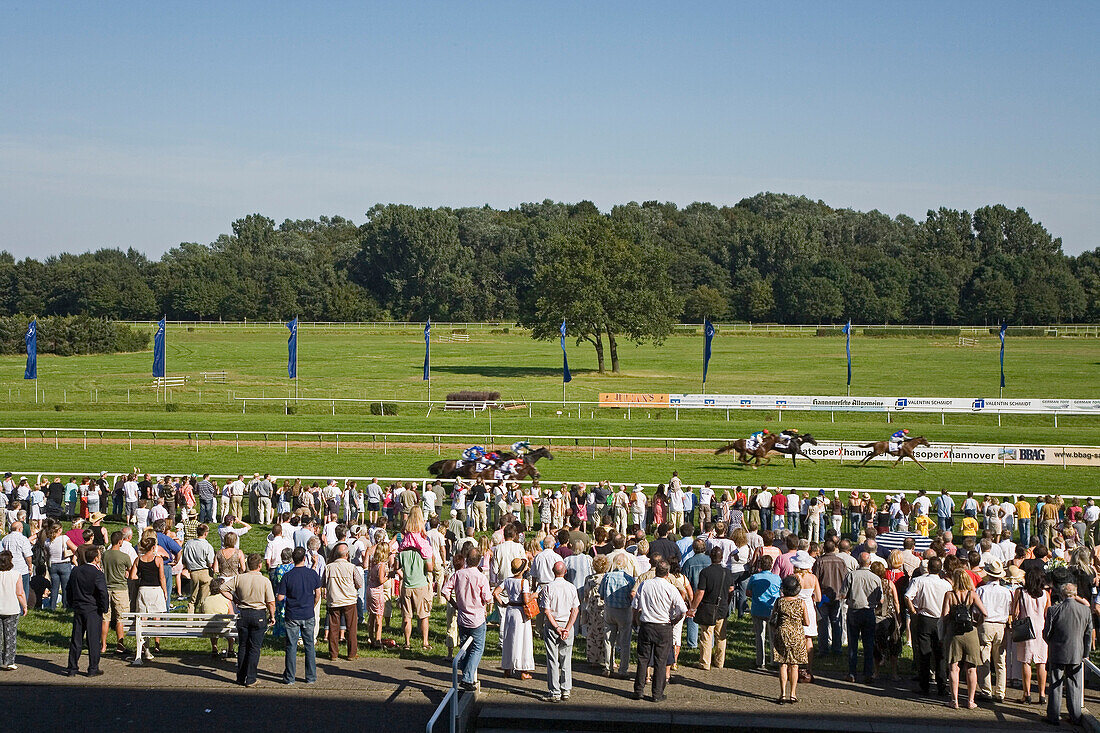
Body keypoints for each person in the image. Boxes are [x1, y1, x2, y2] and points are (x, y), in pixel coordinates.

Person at [631, 558, 687, 702]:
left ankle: (638, 690)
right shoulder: (670, 588)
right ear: (668, 573)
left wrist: (636, 621)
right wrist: (673, 622)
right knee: (660, 661)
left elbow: (635, 606)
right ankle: (657, 694)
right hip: (663, 626)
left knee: (643, 659)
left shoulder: (645, 585)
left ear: (655, 570)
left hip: (647, 625)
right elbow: (682, 610)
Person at [221, 553, 276, 686]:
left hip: (243, 614)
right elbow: (271, 602)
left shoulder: (239, 578)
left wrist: (234, 598)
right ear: (259, 565)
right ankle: (251, 678)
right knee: (255, 647)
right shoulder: (264, 581)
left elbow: (222, 588)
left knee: (243, 646)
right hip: (258, 614)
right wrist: (272, 615)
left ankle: (240, 676)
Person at [442, 547, 492, 691]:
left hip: (463, 616)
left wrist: (455, 604)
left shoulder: (458, 574)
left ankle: (465, 673)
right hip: (477, 618)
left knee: (464, 646)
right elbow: (487, 598)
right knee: (477, 648)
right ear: (479, 561)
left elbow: (445, 591)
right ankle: (468, 677)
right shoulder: (481, 577)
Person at [1043, 582, 1092, 726]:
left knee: (1055, 684)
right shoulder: (1085, 611)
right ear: (1075, 594)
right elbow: (1088, 634)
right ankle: (1075, 715)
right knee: (1074, 685)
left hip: (1058, 651)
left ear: (1062, 594)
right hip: (1077, 651)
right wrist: (1086, 652)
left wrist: (1051, 643)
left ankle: (1053, 716)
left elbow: (1047, 633)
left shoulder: (1054, 610)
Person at [275, 546, 323, 685]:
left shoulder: (287, 576)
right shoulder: (312, 574)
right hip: (308, 613)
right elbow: (318, 594)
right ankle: (311, 676)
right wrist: (312, 605)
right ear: (304, 558)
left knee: (291, 646)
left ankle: (290, 677)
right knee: (309, 645)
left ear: (292, 559)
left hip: (292, 614)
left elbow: (280, 597)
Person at [942, 568, 987, 709]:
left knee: (953, 667)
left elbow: (944, 615)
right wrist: (976, 623)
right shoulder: (972, 595)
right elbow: (985, 613)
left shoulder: (949, 595)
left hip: (954, 632)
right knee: (971, 668)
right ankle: (970, 700)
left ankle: (954, 700)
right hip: (970, 632)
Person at [539, 560, 580, 702]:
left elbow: (546, 610)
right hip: (567, 623)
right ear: (565, 572)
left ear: (552, 571)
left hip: (553, 624)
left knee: (552, 659)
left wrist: (556, 627)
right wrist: (567, 628)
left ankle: (554, 691)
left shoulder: (548, 588)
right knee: (566, 658)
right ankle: (566, 689)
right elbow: (575, 610)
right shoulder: (571, 587)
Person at [65, 545, 109, 677]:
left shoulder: (76, 571)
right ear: (96, 558)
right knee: (93, 639)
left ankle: (72, 667)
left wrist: (72, 602)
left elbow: (69, 589)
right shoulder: (98, 574)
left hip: (79, 607)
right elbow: (103, 593)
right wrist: (104, 607)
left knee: (76, 638)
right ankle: (93, 667)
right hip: (93, 609)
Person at [687, 545, 733, 670]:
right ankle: (719, 661)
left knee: (706, 635)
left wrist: (693, 608)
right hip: (722, 607)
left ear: (710, 557)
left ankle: (705, 662)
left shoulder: (705, 572)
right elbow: (731, 589)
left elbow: (700, 592)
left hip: (708, 607)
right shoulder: (727, 572)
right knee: (721, 636)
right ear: (722, 557)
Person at [1013, 566, 1051, 704]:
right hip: (1041, 629)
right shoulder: (1046, 595)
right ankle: (1042, 694)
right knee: (1041, 662)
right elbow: (1048, 614)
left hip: (1026, 629)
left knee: (1026, 661)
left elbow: (1015, 612)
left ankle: (1026, 693)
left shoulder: (1020, 592)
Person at [842, 552, 881, 683]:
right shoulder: (876, 578)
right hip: (869, 611)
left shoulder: (851, 575)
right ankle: (868, 673)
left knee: (853, 644)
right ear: (869, 563)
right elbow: (880, 598)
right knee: (868, 644)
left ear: (858, 562)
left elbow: (843, 593)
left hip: (854, 611)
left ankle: (852, 673)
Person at [976, 560, 1012, 702]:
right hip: (1001, 625)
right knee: (1000, 660)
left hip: (986, 624)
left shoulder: (982, 590)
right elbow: (1010, 609)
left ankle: (986, 690)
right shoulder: (1006, 592)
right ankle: (1000, 691)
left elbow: (976, 609)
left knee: (984, 658)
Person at [494, 557, 534, 681]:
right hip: (520, 612)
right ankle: (524, 670)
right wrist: (535, 595)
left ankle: (507, 668)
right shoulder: (524, 582)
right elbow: (526, 600)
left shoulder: (507, 581)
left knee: (509, 639)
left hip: (510, 610)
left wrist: (503, 603)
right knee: (523, 640)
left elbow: (495, 592)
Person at [599, 553, 635, 678]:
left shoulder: (607, 577)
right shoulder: (629, 579)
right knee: (625, 642)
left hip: (610, 609)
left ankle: (609, 667)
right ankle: (623, 669)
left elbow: (601, 594)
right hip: (624, 611)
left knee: (609, 640)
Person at [325, 543, 362, 661]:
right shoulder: (351, 567)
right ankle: (351, 653)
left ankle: (333, 654)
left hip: (334, 600)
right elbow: (360, 583)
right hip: (349, 600)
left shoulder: (329, 567)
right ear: (347, 555)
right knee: (351, 628)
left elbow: (323, 583)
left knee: (333, 628)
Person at [101, 532, 133, 656]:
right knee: (121, 618)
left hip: (106, 587)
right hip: (120, 588)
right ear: (120, 542)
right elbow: (131, 572)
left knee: (105, 618)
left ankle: (103, 645)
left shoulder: (104, 555)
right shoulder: (124, 556)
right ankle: (120, 645)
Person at [0, 550, 27, 670]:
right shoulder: (16, 574)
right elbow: (20, 593)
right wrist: (24, 606)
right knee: (10, 636)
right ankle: (9, 661)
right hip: (12, 609)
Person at [182, 523, 215, 613]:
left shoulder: (188, 544)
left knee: (192, 599)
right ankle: (201, 621)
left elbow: (184, 560)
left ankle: (189, 622)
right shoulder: (208, 546)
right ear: (205, 533)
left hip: (193, 572)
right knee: (203, 599)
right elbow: (210, 563)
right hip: (205, 572)